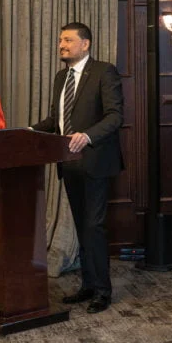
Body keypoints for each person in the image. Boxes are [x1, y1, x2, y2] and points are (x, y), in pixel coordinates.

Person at [31, 22, 124, 314]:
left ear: (85, 44)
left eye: (68, 40)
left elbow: (115, 116)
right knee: (82, 226)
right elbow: (55, 121)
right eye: (61, 40)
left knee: (94, 227)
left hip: (96, 161)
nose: (62, 45)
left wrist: (88, 135)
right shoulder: (61, 77)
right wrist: (28, 131)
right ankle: (88, 285)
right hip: (69, 164)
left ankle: (103, 291)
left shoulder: (104, 72)